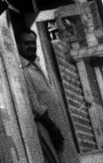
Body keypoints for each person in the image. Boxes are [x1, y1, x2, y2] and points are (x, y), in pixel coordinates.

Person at [17, 29, 78, 163]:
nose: (31, 46)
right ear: (18, 45)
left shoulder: (36, 65)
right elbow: (35, 105)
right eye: (26, 43)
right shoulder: (22, 70)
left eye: (33, 43)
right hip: (46, 128)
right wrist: (52, 128)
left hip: (57, 125)